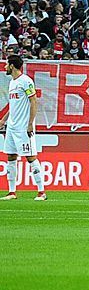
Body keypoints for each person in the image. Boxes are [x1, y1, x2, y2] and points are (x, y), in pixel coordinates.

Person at [2, 54, 48, 201]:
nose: (4, 67)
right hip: (11, 126)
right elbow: (14, 105)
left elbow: (33, 102)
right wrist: (4, 119)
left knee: (30, 157)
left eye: (6, 64)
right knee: (10, 156)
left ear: (12, 66)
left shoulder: (26, 81)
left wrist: (30, 123)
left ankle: (41, 192)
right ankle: (11, 192)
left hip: (23, 127)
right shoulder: (12, 83)